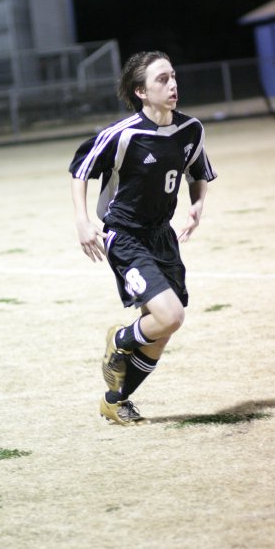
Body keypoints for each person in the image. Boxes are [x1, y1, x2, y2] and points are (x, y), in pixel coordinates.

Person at [69, 50, 217, 425]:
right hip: (125, 236)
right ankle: (119, 340)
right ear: (141, 92)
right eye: (162, 80)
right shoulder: (122, 135)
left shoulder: (191, 130)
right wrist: (83, 222)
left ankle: (115, 401)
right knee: (171, 316)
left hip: (162, 237)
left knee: (161, 333)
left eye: (173, 77)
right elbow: (79, 170)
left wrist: (197, 205)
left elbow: (198, 172)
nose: (172, 85)